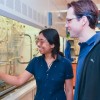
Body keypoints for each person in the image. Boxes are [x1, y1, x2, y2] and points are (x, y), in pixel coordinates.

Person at [0, 28, 73, 100]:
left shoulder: (65, 64)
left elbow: (69, 90)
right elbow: (19, 80)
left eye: (42, 41)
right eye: (38, 41)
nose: (38, 44)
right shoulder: (35, 62)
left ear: (52, 45)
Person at [66, 0, 100, 100]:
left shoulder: (97, 49)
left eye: (69, 20)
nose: (66, 25)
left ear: (83, 20)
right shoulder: (84, 47)